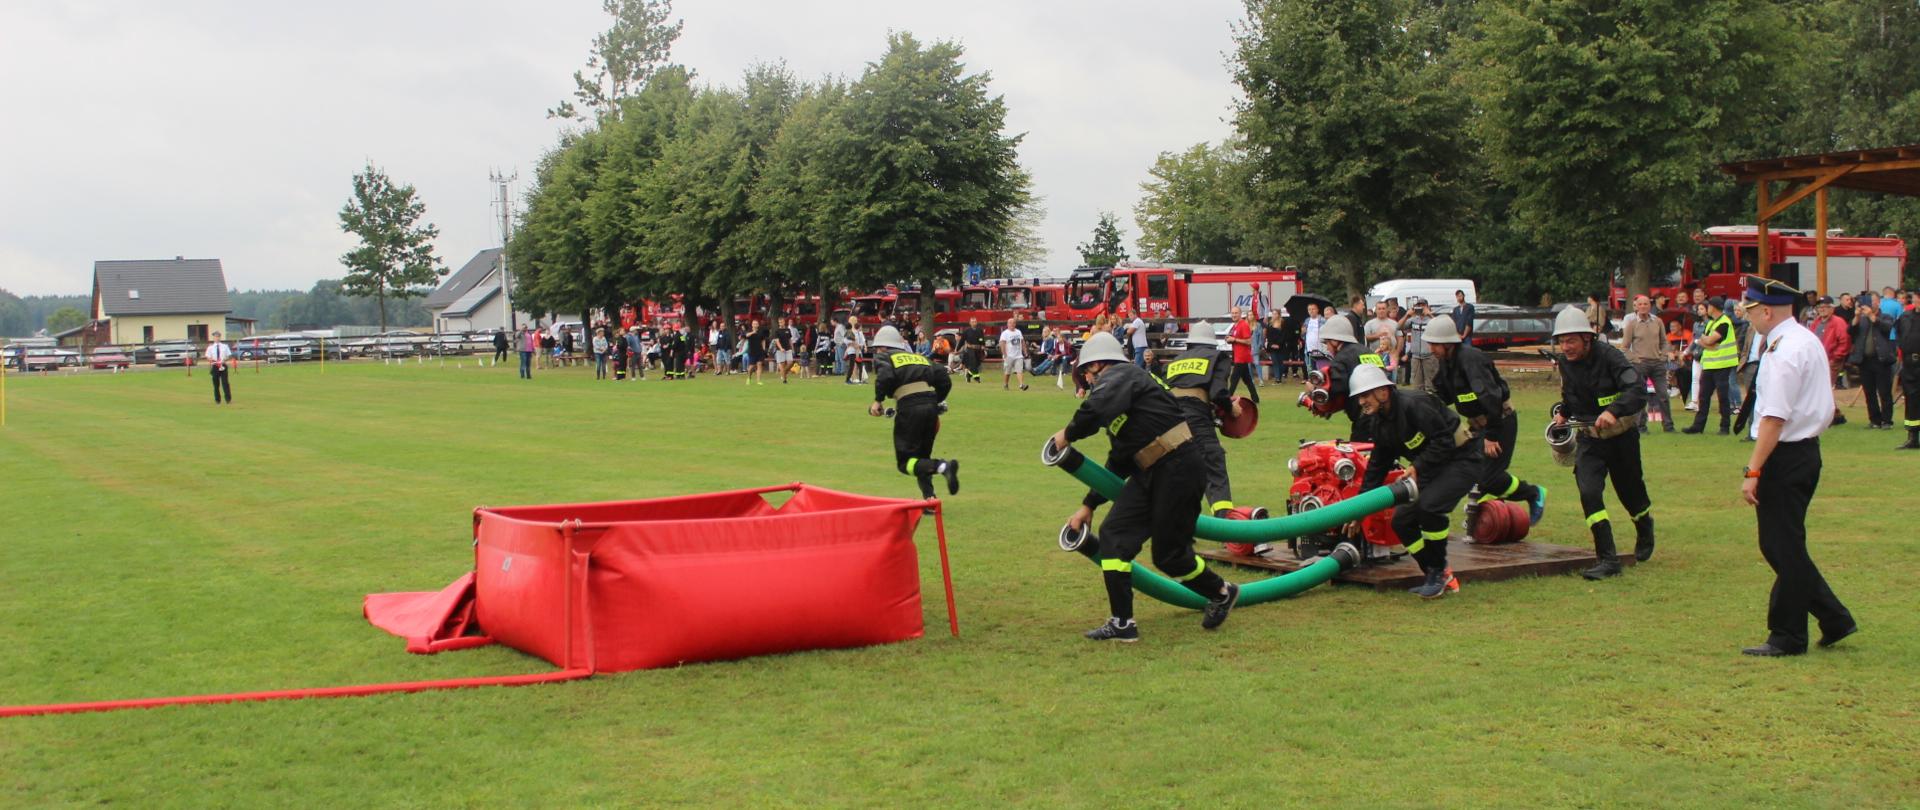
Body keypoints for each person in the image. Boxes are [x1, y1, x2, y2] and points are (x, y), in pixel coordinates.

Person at [1053, 332, 1241, 642]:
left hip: (1178, 466)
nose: (1086, 381)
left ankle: (1221, 592)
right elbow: (1119, 460)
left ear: (1099, 365)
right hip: (1149, 471)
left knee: (1169, 555)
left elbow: (1093, 411)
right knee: (1113, 536)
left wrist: (1068, 434)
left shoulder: (1124, 374)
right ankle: (1122, 623)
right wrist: (1088, 505)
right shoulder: (1122, 400)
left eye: (1086, 373)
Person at [1736, 274, 1857, 656]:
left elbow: (1774, 417)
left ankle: (1788, 635)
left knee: (1781, 546)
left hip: (1786, 454)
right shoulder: (1803, 340)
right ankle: (1833, 617)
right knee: (1784, 544)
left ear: (1766, 311)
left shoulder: (1785, 349)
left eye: (1751, 310)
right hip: (1803, 451)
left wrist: (1753, 470)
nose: (1748, 316)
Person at [1347, 363, 1480, 597]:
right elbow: (1376, 468)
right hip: (1432, 467)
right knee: (1402, 521)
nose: (1361, 402)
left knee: (1430, 507)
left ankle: (1438, 573)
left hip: (1462, 459)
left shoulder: (1415, 405)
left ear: (1383, 392)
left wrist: (1418, 466)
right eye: (1359, 397)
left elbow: (1444, 441)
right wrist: (1359, 510)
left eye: (1365, 395)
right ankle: (1434, 572)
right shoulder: (1379, 422)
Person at [1550, 307, 1655, 579]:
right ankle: (1607, 559)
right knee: (1589, 492)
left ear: (1587, 338)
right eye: (1562, 341)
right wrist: (1563, 411)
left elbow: (1637, 391)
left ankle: (1644, 526)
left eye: (1571, 340)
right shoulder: (1565, 363)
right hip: (1589, 440)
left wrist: (1613, 411)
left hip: (1621, 438)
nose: (1566, 347)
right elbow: (1571, 396)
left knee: (1630, 492)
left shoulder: (1611, 357)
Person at [1424, 315, 1546, 524]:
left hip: (1499, 422)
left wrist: (1491, 436)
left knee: (1489, 477)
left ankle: (1533, 493)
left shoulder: (1471, 359)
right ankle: (1483, 508)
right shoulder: (1447, 363)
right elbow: (1443, 396)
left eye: (1434, 344)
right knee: (1472, 471)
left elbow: (1491, 397)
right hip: (1478, 426)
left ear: (1447, 342)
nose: (1430, 349)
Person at [868, 325, 960, 505]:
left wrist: (878, 401)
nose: (876, 352)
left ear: (883, 347)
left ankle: (943, 466)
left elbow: (885, 377)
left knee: (905, 463)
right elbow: (944, 378)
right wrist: (934, 402)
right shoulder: (919, 358)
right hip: (930, 409)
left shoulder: (885, 357)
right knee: (921, 460)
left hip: (909, 409)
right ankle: (930, 499)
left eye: (877, 348)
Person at [1163, 321, 1242, 518]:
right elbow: (1217, 393)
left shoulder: (1175, 362)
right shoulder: (1218, 358)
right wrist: (1231, 408)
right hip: (1195, 418)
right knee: (1214, 467)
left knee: (1181, 472)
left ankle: (1174, 526)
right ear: (1212, 344)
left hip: (1169, 420)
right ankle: (1226, 527)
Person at [1319, 315, 1381, 442]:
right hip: (1389, 416)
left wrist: (1315, 393)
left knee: (1362, 459)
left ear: (1335, 341)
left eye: (1327, 342)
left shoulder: (1341, 359)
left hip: (1366, 420)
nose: (1327, 347)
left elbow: (1335, 390)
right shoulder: (1368, 352)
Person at [1684, 297, 1739, 434]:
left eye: (1708, 306)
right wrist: (1705, 341)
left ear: (1713, 307)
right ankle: (1698, 426)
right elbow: (1706, 341)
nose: (1707, 308)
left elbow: (1708, 339)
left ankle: (1724, 426)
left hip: (1722, 364)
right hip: (1709, 365)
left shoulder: (1724, 323)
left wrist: (1703, 340)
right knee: (1703, 396)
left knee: (1723, 397)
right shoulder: (1712, 323)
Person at [1620, 295, 1673, 433]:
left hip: (1657, 364)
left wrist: (1663, 355)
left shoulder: (1658, 321)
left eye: (1646, 304)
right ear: (1636, 306)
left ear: (1650, 306)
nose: (1643, 306)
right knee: (1640, 396)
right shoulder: (1631, 324)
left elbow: (1665, 342)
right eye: (1640, 304)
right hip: (1640, 364)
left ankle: (1668, 426)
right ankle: (1641, 426)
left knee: (1663, 395)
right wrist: (1636, 359)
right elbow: (1624, 347)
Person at [1851, 292, 1896, 428]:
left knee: (1884, 392)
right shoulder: (1862, 319)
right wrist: (1857, 315)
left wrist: (1871, 315)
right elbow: (1851, 331)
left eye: (1873, 301)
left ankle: (1887, 420)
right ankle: (1874, 420)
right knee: (1869, 392)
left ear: (1879, 302)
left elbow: (1886, 327)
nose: (1870, 304)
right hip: (1865, 361)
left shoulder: (1885, 316)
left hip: (1881, 360)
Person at [1896, 301, 1920, 449]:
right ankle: (1912, 437)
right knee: (1911, 401)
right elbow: (1898, 334)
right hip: (1909, 363)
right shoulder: (1905, 317)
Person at [1225, 307, 1259, 401]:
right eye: (1232, 313)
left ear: (1240, 314)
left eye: (1236, 313)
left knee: (1234, 379)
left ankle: (1227, 399)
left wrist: (1234, 339)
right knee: (1247, 380)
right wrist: (1229, 339)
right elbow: (1235, 339)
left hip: (1242, 356)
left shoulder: (1243, 325)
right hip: (1238, 356)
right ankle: (1255, 398)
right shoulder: (1235, 326)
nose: (1234, 315)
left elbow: (1249, 341)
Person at [1403, 299, 1436, 392]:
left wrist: (1429, 314)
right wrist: (1407, 315)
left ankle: (1431, 403)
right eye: (1419, 305)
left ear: (1427, 306)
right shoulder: (1413, 320)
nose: (1421, 307)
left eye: (1423, 305)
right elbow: (1399, 327)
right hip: (1416, 356)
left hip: (1429, 356)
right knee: (1417, 386)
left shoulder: (1431, 320)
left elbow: (1439, 326)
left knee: (1430, 385)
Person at [204, 331, 234, 405]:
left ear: (220, 337)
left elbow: (229, 355)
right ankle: (217, 400)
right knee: (216, 384)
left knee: (225, 383)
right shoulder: (210, 347)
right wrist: (212, 360)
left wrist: (223, 360)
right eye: (215, 337)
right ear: (213, 338)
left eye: (218, 337)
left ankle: (228, 399)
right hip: (215, 366)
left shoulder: (225, 346)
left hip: (223, 365)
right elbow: (207, 356)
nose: (217, 338)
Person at [999, 317, 1028, 391]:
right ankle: (1005, 384)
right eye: (1010, 323)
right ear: (1007, 324)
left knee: (1019, 370)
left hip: (1018, 355)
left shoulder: (1018, 332)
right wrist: (1004, 354)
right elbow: (1002, 344)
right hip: (1009, 355)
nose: (1012, 324)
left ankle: (1021, 385)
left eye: (1013, 323)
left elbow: (1022, 341)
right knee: (1007, 372)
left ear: (1015, 324)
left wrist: (1025, 351)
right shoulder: (1005, 333)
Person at [959, 317, 986, 383]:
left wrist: (983, 345)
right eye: (973, 322)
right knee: (973, 362)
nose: (974, 323)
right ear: (970, 323)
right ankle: (977, 377)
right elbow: (962, 340)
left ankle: (968, 375)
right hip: (970, 349)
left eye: (975, 321)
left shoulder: (980, 330)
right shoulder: (966, 331)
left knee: (977, 363)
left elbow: (982, 339)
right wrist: (957, 349)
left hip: (978, 349)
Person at [745, 319, 769, 386]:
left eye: (756, 324)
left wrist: (764, 349)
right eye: (754, 324)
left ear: (758, 325)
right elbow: (746, 336)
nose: (755, 325)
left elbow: (763, 340)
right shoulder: (749, 331)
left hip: (760, 351)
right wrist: (753, 332)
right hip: (752, 351)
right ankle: (748, 378)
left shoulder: (761, 332)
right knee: (751, 366)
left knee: (759, 365)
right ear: (752, 325)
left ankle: (758, 381)